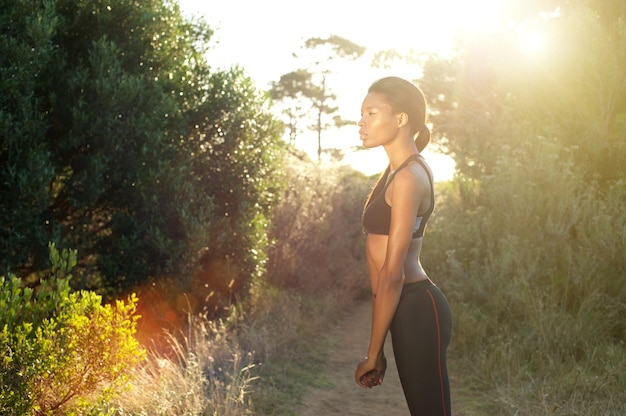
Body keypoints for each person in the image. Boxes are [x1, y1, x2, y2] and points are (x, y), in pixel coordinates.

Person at [354, 76, 453, 415]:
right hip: (404, 307)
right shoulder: (395, 172)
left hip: (417, 308)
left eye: (371, 113)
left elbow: (392, 273)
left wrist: (373, 352)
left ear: (400, 119)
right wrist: (377, 346)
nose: (361, 122)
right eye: (362, 114)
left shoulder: (409, 178)